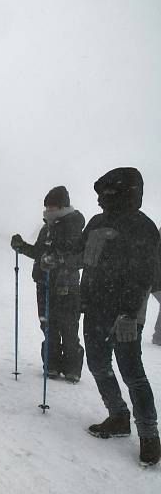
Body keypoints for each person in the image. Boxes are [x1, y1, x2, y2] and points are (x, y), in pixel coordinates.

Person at [79, 167, 159, 467]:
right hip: (95, 306)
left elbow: (143, 274)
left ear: (127, 193)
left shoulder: (142, 226)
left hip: (125, 312)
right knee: (98, 364)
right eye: (99, 194)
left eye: (108, 194)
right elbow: (78, 252)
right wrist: (51, 258)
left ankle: (150, 435)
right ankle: (118, 416)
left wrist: (128, 313)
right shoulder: (97, 221)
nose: (101, 199)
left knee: (132, 371)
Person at [11, 186, 85, 383]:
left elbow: (76, 256)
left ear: (63, 206)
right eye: (47, 207)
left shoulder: (74, 225)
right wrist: (22, 247)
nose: (48, 211)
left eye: (52, 207)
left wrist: (58, 260)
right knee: (48, 325)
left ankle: (71, 368)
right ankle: (52, 364)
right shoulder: (47, 227)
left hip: (66, 284)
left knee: (68, 326)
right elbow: (39, 253)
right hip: (44, 282)